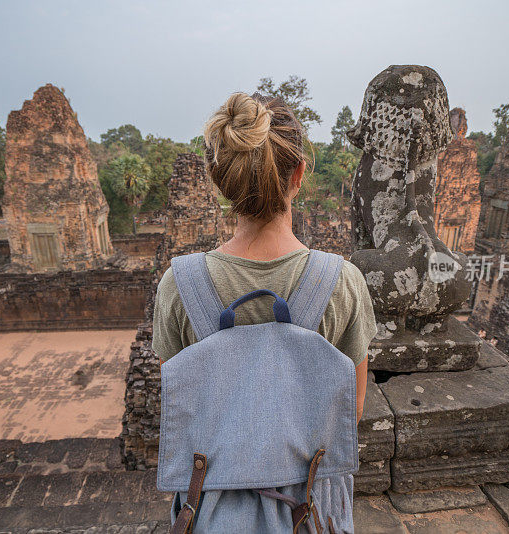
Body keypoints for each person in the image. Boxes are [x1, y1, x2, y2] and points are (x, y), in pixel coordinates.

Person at [152, 92, 377, 533]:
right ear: (298, 174)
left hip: (210, 508)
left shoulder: (179, 287)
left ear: (220, 183)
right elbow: (348, 413)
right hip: (312, 508)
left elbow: (183, 409)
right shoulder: (343, 283)